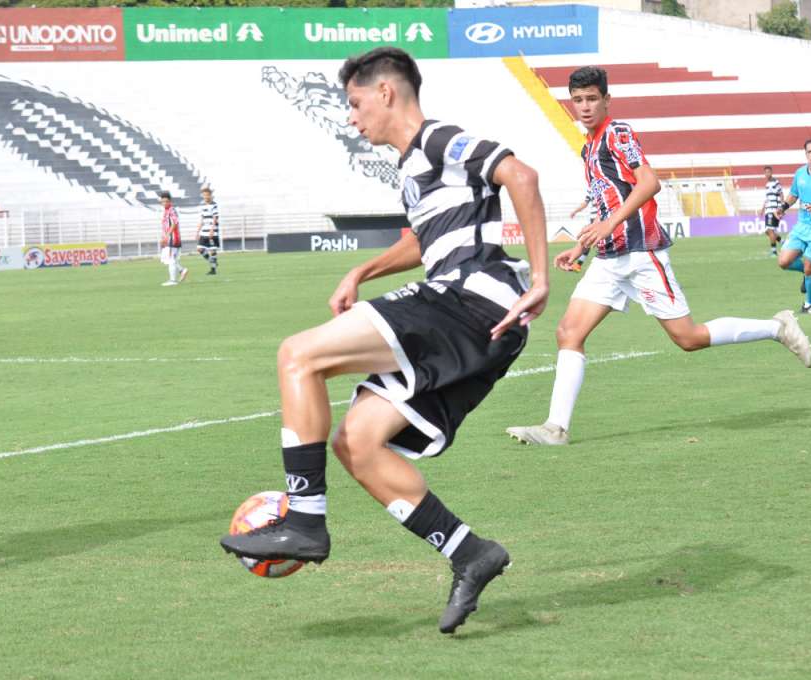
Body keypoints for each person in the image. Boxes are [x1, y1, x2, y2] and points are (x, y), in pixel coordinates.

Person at [219, 47, 551, 634]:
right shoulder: (411, 168)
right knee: (357, 442)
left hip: (472, 300)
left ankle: (306, 518)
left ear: (386, 93)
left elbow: (521, 175)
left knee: (298, 355)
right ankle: (470, 554)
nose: (351, 117)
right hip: (478, 320)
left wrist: (542, 277)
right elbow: (427, 242)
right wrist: (362, 271)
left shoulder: (438, 139)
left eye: (354, 103)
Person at [505, 67, 811, 447]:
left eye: (592, 99)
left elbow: (650, 183)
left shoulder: (617, 133)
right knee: (568, 332)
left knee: (688, 338)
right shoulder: (588, 148)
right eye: (578, 99)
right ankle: (556, 428)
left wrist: (609, 225)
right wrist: (583, 244)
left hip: (641, 254)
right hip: (608, 257)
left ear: (606, 100)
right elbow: (607, 201)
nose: (585, 106)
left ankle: (777, 327)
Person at [777, 140, 811, 314]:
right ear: (805, 154)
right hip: (802, 226)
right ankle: (809, 272)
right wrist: (783, 207)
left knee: (810, 266)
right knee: (783, 262)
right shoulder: (800, 173)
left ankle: (809, 304)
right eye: (809, 152)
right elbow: (793, 195)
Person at [158, 191, 187, 286]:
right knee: (166, 258)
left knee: (170, 258)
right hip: (168, 239)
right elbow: (165, 226)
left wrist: (167, 235)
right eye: (163, 202)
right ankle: (182, 270)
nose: (165, 203)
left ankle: (173, 280)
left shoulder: (172, 210)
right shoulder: (165, 211)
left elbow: (175, 223)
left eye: (166, 201)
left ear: (170, 201)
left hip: (173, 238)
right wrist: (163, 238)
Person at [759, 165, 784, 256]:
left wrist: (781, 207)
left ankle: (773, 251)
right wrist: (762, 209)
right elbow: (767, 198)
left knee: (770, 230)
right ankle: (783, 242)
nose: (767, 174)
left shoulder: (775, 182)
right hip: (767, 209)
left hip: (773, 210)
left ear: (771, 172)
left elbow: (781, 194)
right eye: (765, 172)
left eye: (768, 172)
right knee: (768, 231)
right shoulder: (767, 184)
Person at [196, 185, 220, 275]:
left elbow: (215, 218)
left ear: (210, 195)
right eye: (204, 195)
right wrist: (197, 232)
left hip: (212, 231)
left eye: (207, 195)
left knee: (212, 250)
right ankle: (213, 262)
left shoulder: (214, 205)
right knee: (199, 249)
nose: (206, 197)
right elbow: (202, 220)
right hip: (204, 231)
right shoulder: (203, 206)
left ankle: (213, 270)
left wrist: (212, 230)